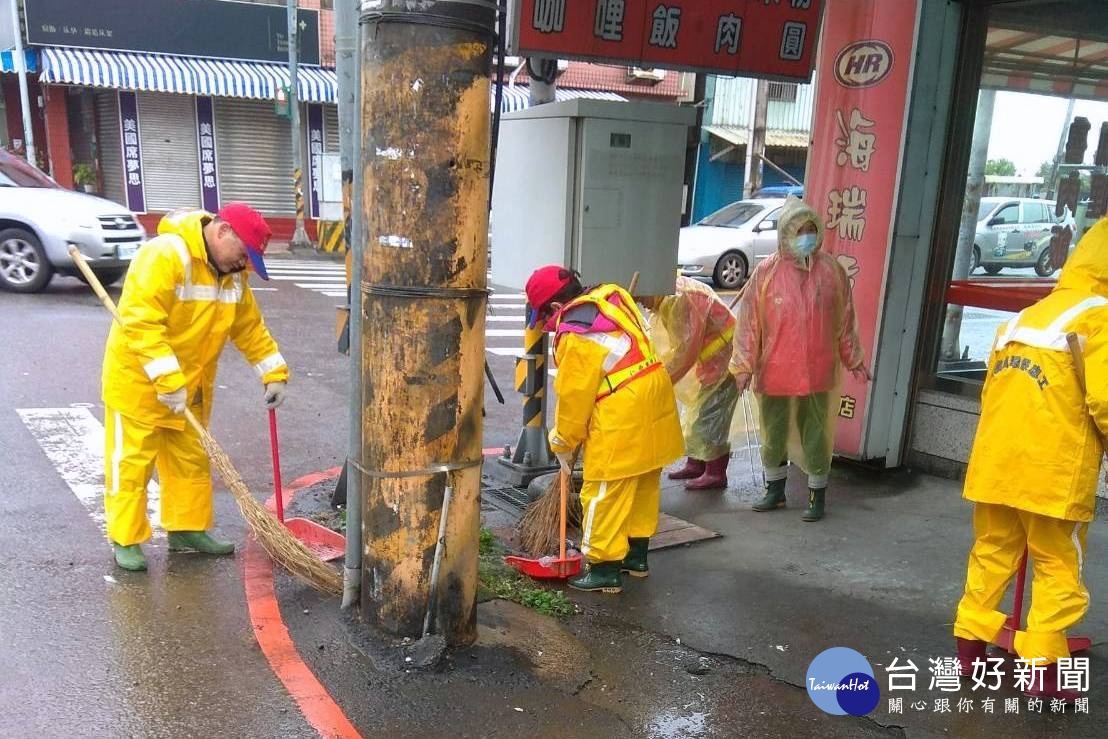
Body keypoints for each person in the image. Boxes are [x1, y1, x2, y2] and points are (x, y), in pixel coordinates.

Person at [953, 216, 1108, 701]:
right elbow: (1105, 400)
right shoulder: (1098, 317)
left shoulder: (1028, 316)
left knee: (992, 553)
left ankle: (969, 651)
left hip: (996, 464)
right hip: (1051, 472)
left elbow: (992, 394)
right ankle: (1042, 671)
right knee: (1057, 563)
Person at [102, 202, 290, 571]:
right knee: (131, 463)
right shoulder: (164, 255)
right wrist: (167, 380)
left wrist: (274, 373)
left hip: (192, 387)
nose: (244, 265)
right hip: (140, 382)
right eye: (243, 254)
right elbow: (141, 323)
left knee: (189, 460)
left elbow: (249, 327)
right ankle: (125, 537)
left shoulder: (231, 276)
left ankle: (186, 530)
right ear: (222, 232)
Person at [525, 266, 683, 593]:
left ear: (556, 308)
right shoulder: (611, 295)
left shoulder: (576, 334)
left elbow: (573, 400)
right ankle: (636, 558)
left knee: (603, 491)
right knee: (641, 481)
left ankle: (604, 567)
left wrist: (564, 443)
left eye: (547, 318)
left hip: (624, 404)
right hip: (655, 389)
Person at [730, 197, 868, 522]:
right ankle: (774, 492)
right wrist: (743, 366)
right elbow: (749, 324)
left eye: (810, 230)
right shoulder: (766, 272)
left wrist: (854, 358)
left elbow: (844, 320)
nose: (806, 236)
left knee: (817, 432)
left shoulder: (830, 271)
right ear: (785, 233)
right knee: (773, 431)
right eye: (799, 230)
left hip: (818, 369)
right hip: (775, 368)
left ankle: (816, 495)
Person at [642, 276, 739, 490]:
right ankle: (696, 462)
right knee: (697, 412)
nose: (641, 303)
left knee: (712, 417)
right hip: (712, 359)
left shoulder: (678, 299)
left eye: (640, 297)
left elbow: (687, 349)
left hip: (723, 359)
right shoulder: (669, 297)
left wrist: (663, 379)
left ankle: (715, 473)